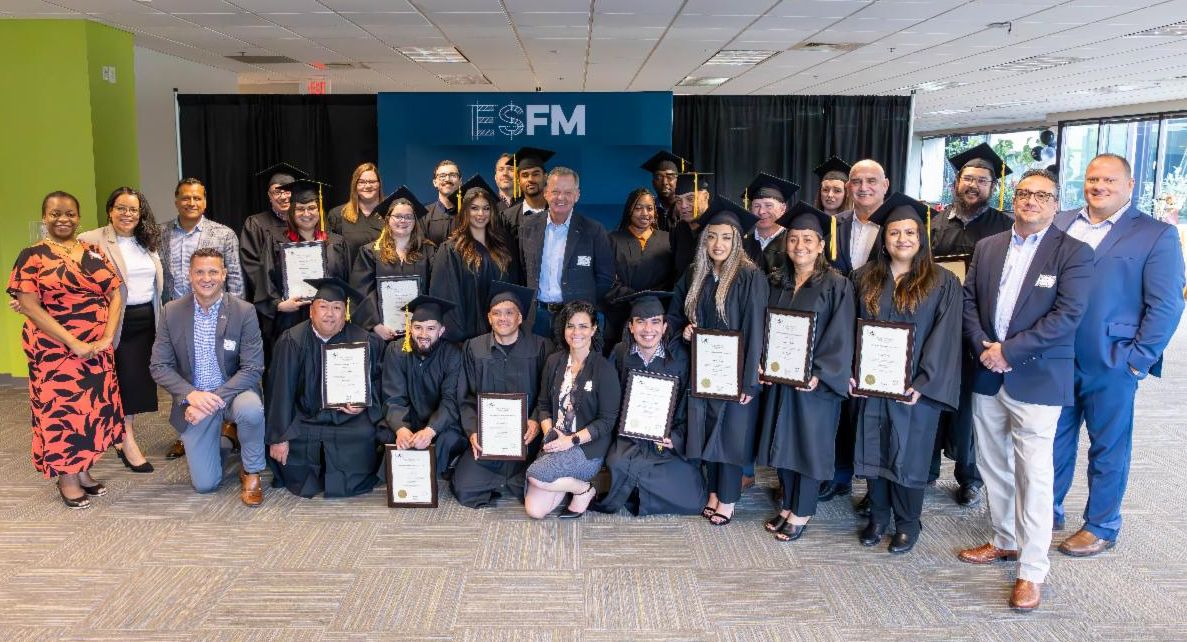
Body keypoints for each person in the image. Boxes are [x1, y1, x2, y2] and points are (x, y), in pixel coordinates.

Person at [957, 169, 1094, 612]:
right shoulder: (988, 246)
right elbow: (969, 303)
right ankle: (1004, 539)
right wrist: (985, 347)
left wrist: (1008, 352)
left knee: (1034, 475)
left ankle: (1032, 570)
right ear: (1013, 199)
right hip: (986, 371)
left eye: (1042, 195)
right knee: (992, 463)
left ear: (1056, 204)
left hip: (1036, 376)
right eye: (1024, 193)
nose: (1031, 200)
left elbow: (1067, 316)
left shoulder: (1073, 252)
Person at [1052, 153, 1186, 556]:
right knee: (1050, 440)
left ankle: (1101, 524)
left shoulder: (1156, 234)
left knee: (1108, 446)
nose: (1099, 186)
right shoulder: (1062, 222)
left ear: (1129, 186)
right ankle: (1047, 511)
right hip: (1054, 355)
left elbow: (1166, 305)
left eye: (1110, 180)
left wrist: (1138, 359)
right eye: (1093, 179)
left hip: (1113, 359)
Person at [850, 193, 962, 554]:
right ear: (883, 239)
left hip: (915, 387)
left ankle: (908, 522)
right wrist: (851, 371)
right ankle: (878, 516)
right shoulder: (863, 278)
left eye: (910, 233)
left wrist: (925, 382)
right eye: (895, 233)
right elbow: (847, 329)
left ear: (921, 237)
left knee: (909, 455)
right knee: (873, 449)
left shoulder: (943, 281)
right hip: (872, 383)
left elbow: (946, 337)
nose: (902, 239)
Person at [8, 190, 124, 509]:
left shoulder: (93, 252)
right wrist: (72, 342)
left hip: (97, 347)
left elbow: (114, 294)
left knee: (92, 409)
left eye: (70, 213)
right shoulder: (31, 256)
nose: (63, 219)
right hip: (53, 351)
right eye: (56, 213)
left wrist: (108, 336)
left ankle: (84, 469)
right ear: (44, 218)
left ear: (79, 217)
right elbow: (29, 305)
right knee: (61, 410)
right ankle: (67, 477)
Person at [756, 203, 855, 542]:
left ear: (821, 244)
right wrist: (762, 361)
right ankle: (787, 505)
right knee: (782, 441)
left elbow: (841, 334)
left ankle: (803, 510)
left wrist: (821, 372)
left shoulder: (836, 284)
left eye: (808, 239)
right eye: (794, 239)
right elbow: (765, 327)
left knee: (809, 447)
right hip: (782, 378)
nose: (800, 246)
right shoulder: (778, 282)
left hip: (815, 384)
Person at [668, 198, 769, 526]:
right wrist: (684, 330)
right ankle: (713, 490)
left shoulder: (750, 277)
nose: (718, 244)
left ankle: (727, 498)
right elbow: (673, 316)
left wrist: (749, 380)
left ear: (737, 241)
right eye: (712, 236)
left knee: (730, 434)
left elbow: (757, 328)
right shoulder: (695, 274)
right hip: (703, 370)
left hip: (735, 373)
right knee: (707, 429)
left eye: (726, 237)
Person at [930, 144, 1017, 507]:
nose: (974, 186)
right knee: (931, 395)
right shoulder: (934, 223)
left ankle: (970, 476)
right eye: (968, 178)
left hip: (977, 329)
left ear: (992, 186)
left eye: (982, 181)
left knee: (973, 406)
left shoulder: (1005, 226)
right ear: (957, 182)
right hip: (935, 327)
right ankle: (925, 469)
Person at [149, 248, 267, 504]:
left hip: (235, 391)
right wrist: (192, 395)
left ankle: (252, 469)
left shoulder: (243, 311)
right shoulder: (172, 312)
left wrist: (212, 399)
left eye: (213, 271)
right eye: (199, 272)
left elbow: (253, 368)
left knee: (251, 411)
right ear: (189, 275)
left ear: (224, 274)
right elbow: (159, 366)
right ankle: (225, 439)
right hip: (194, 398)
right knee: (205, 485)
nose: (206, 278)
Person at [266, 277, 386, 498]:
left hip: (347, 420)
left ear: (345, 312)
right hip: (305, 418)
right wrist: (279, 436)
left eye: (337, 308)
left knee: (364, 433)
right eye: (323, 307)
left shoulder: (364, 341)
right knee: (293, 443)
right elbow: (280, 392)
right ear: (311, 310)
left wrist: (364, 404)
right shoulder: (292, 341)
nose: (329, 314)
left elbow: (378, 383)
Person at [596, 291, 708, 516]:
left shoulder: (680, 359)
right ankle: (634, 489)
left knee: (695, 501)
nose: (648, 330)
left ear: (665, 326)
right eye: (641, 322)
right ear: (630, 326)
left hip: (665, 443)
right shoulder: (620, 354)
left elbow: (691, 407)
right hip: (630, 439)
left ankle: (631, 490)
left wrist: (675, 439)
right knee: (617, 461)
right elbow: (609, 401)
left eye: (655, 322)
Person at [77, 187, 163, 474]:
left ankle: (123, 435)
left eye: (133, 210)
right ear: (110, 210)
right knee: (110, 383)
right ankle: (124, 442)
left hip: (145, 321)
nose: (127, 214)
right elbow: (63, 272)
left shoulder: (146, 239)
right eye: (121, 208)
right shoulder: (90, 240)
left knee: (135, 382)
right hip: (111, 323)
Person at [819, 158, 889, 506]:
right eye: (856, 181)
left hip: (883, 328)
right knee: (842, 405)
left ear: (885, 185)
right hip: (841, 326)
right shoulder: (833, 225)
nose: (863, 187)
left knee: (876, 412)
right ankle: (840, 476)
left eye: (871, 181)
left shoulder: (898, 225)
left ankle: (876, 489)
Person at [451, 281, 552, 508]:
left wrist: (536, 419)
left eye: (509, 313)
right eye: (497, 313)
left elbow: (548, 393)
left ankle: (511, 482)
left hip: (527, 439)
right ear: (489, 318)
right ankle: (503, 482)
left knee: (540, 488)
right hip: (490, 439)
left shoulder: (541, 347)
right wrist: (473, 431)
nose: (503, 318)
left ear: (520, 318)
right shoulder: (473, 348)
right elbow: (465, 396)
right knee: (465, 488)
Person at [525, 300, 621, 519]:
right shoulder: (553, 362)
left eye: (583, 326)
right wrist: (551, 432)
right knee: (535, 511)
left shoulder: (604, 369)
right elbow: (543, 405)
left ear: (594, 329)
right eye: (570, 326)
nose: (576, 332)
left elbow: (606, 422)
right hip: (555, 440)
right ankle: (574, 485)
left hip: (586, 447)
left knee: (535, 475)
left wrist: (570, 441)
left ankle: (584, 490)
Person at [254, 179, 351, 347]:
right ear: (292, 211)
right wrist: (279, 305)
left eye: (312, 208)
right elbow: (265, 281)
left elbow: (348, 282)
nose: (306, 213)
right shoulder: (276, 242)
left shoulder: (337, 243)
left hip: (330, 321)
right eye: (300, 209)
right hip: (291, 319)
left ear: (319, 210)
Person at [521, 166, 615, 339]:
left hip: (575, 320)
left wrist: (583, 304)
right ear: (546, 193)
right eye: (555, 191)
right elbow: (522, 270)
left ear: (577, 195)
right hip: (536, 317)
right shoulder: (527, 227)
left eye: (568, 192)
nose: (561, 198)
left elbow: (605, 278)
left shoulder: (594, 230)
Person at [381, 295, 467, 478]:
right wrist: (400, 428)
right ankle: (404, 479)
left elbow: (450, 400)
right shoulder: (396, 351)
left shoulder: (453, 355)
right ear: (410, 328)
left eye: (431, 328)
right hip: (409, 418)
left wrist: (430, 430)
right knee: (387, 434)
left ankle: (422, 480)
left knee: (448, 439)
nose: (423, 334)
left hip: (440, 423)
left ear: (441, 331)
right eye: (418, 327)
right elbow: (393, 396)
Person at [430, 175, 520, 343]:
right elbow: (446, 298)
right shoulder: (451, 250)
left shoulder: (503, 246)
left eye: (486, 208)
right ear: (465, 210)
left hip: (503, 333)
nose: (481, 214)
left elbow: (514, 288)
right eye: (474, 208)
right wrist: (460, 340)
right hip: (467, 339)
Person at [350, 186, 436, 341]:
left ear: (414, 221)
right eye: (397, 216)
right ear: (388, 219)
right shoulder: (370, 252)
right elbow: (361, 293)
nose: (403, 221)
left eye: (408, 217)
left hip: (420, 334)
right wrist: (375, 325)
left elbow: (435, 290)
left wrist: (425, 326)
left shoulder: (428, 251)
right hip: (382, 335)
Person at [605, 188, 674, 349]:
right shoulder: (612, 240)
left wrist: (651, 300)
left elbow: (673, 279)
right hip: (620, 316)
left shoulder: (668, 240)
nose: (645, 213)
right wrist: (634, 298)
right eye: (638, 208)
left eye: (649, 208)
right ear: (629, 210)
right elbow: (606, 280)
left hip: (656, 316)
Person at [162, 178, 243, 303]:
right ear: (176, 202)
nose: (191, 203)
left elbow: (235, 279)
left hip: (214, 312)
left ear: (204, 203)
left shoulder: (225, 234)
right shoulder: (159, 234)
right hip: (172, 313)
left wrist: (234, 314)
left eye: (197, 198)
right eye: (185, 198)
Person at [240, 163, 306, 304]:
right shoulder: (256, 224)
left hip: (308, 303)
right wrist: (275, 301)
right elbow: (253, 268)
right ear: (269, 196)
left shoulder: (309, 222)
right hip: (275, 307)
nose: (283, 197)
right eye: (277, 192)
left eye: (288, 191)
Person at [742, 173, 799, 275]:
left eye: (768, 205)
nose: (761, 211)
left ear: (783, 208)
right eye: (756, 206)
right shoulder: (741, 245)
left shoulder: (794, 244)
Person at [327, 162, 385, 262]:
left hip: (384, 274)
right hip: (351, 275)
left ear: (379, 184)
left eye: (372, 182)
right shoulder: (338, 215)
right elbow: (334, 255)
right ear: (355, 185)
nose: (367, 186)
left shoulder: (391, 212)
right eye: (362, 182)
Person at [498, 146, 555, 240]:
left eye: (536, 174)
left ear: (545, 177)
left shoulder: (558, 213)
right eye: (525, 175)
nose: (530, 179)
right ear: (519, 181)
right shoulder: (507, 218)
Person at [670, 171, 713, 280]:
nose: (683, 206)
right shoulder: (679, 229)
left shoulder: (719, 228)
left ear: (706, 196)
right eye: (678, 200)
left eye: (690, 199)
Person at [640, 150, 687, 231]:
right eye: (659, 177)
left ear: (677, 181)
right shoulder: (645, 209)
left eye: (670, 177)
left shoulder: (686, 209)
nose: (664, 182)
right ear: (653, 183)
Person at [421, 160, 462, 244]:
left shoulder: (469, 213)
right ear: (435, 182)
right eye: (442, 176)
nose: (447, 179)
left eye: (453, 175)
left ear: (460, 181)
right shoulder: (424, 215)